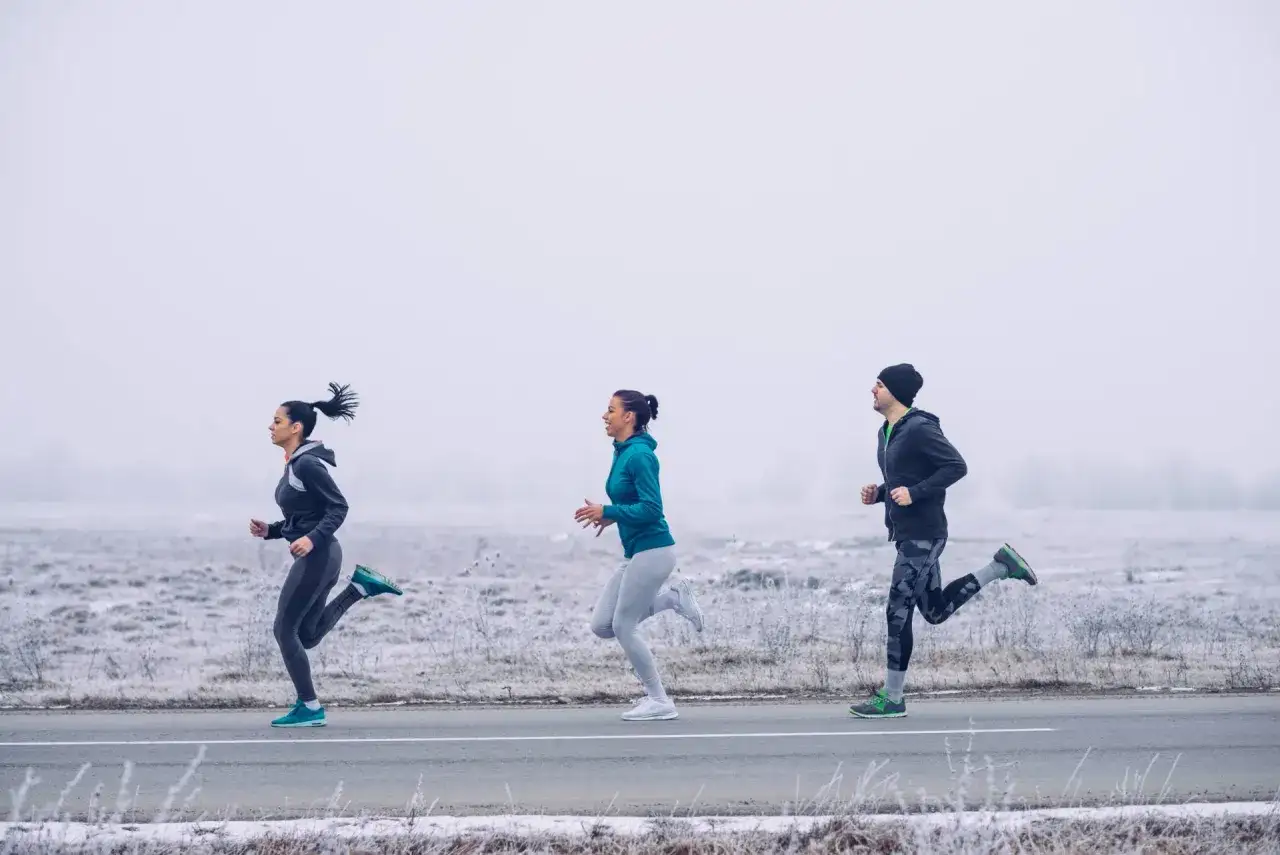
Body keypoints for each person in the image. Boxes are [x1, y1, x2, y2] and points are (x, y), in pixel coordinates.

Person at [849, 364, 1038, 719]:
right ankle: (1000, 566)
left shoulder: (920, 427)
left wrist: (916, 493)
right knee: (934, 612)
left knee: (896, 611)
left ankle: (892, 698)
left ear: (896, 391)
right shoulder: (887, 432)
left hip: (924, 534)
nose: (872, 390)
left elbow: (955, 466)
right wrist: (880, 494)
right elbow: (904, 481)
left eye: (878, 385)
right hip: (908, 534)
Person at [249, 382, 403, 728]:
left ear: (295, 427)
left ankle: (310, 707)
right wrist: (272, 530)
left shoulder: (307, 466)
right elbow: (304, 515)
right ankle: (359, 589)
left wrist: (312, 540)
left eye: (276, 421)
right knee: (306, 635)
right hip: (323, 555)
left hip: (319, 556)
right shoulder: (295, 464)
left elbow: (338, 507)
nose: (270, 427)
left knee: (282, 629)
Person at [574, 390, 705, 721]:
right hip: (637, 552)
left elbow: (651, 508)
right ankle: (672, 599)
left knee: (623, 626)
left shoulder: (640, 456)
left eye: (611, 410)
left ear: (629, 416)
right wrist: (612, 515)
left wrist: (609, 509)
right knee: (603, 625)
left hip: (654, 550)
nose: (605, 416)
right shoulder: (622, 452)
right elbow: (633, 504)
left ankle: (660, 700)